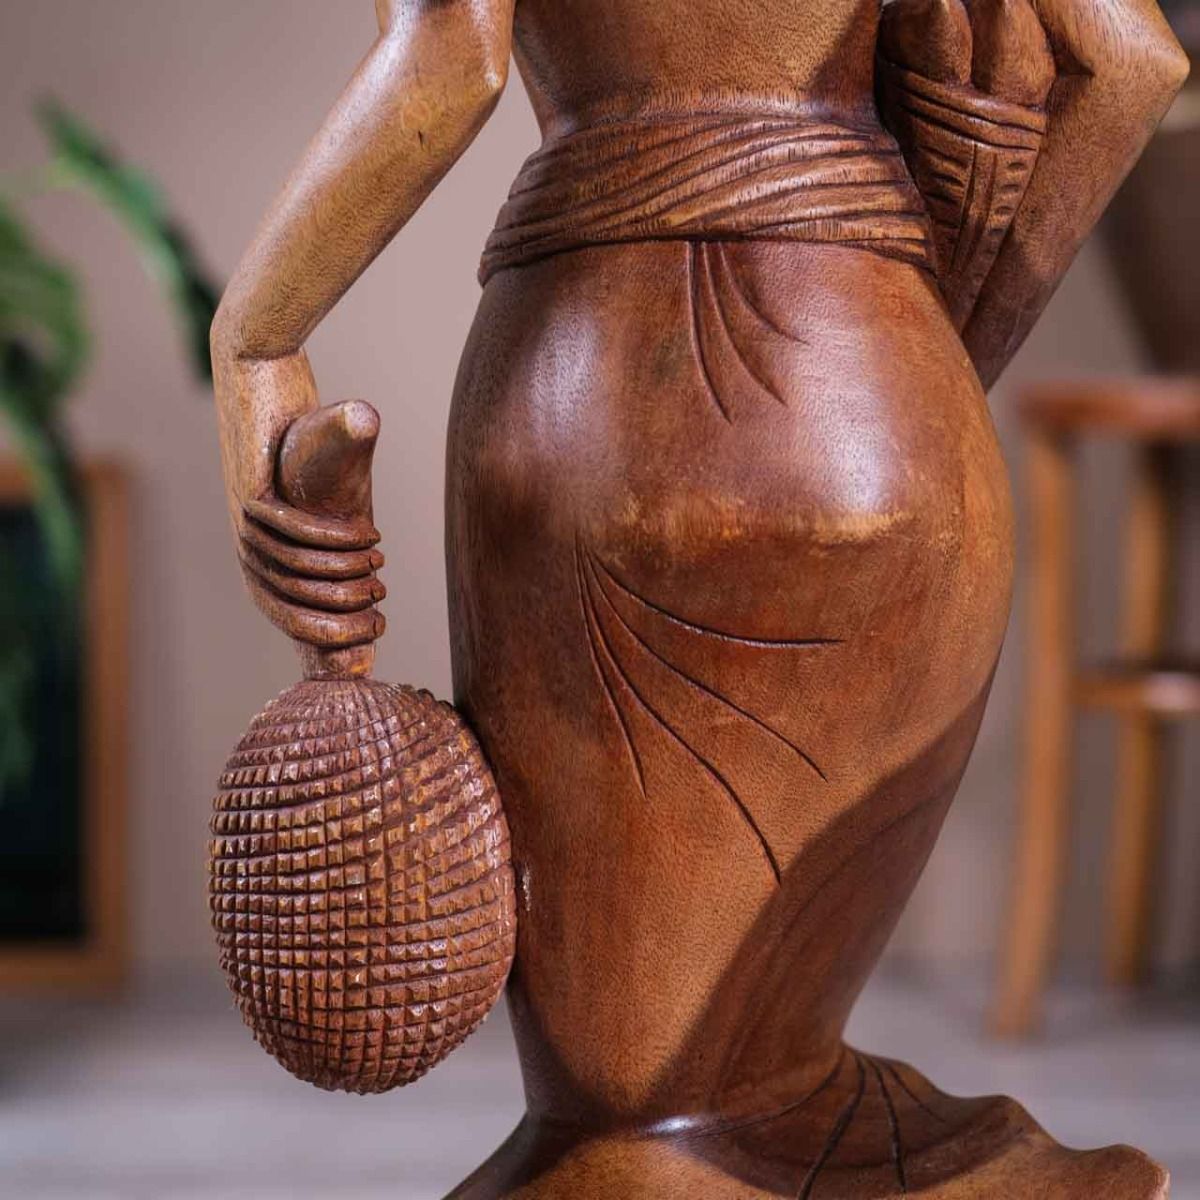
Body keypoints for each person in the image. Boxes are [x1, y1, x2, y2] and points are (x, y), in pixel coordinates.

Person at [210, 0, 1186, 1194]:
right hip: (883, 397)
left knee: (621, 1102)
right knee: (747, 1067)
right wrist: (924, 376)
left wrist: (256, 339)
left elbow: (451, 58)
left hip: (604, 398)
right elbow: (1127, 62)